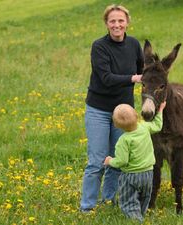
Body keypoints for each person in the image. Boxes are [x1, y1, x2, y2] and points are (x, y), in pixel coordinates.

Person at [80, 4, 144, 212]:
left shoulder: (134, 45)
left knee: (118, 160)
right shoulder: (99, 46)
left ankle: (109, 201)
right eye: (112, 21)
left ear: (127, 23)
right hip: (98, 110)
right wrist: (133, 78)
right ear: (107, 24)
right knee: (97, 161)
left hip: (124, 113)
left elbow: (145, 72)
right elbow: (106, 78)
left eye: (120, 20)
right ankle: (87, 207)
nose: (117, 24)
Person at [104, 102, 166, 223]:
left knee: (128, 202)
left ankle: (136, 221)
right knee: (144, 198)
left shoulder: (124, 140)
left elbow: (122, 161)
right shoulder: (144, 127)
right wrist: (160, 111)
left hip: (131, 176)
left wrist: (110, 161)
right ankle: (140, 215)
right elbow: (158, 125)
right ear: (137, 116)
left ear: (116, 125)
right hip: (148, 174)